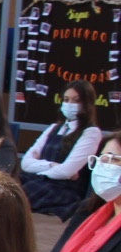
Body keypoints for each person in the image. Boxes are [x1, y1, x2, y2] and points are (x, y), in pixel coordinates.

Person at [21, 81, 103, 219]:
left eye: (76, 100)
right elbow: (26, 162)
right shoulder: (53, 128)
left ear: (87, 103)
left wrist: (42, 172)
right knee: (10, 184)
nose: (69, 104)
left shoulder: (91, 132)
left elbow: (67, 171)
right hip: (39, 180)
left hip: (64, 189)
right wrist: (52, 165)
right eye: (66, 100)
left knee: (21, 193)